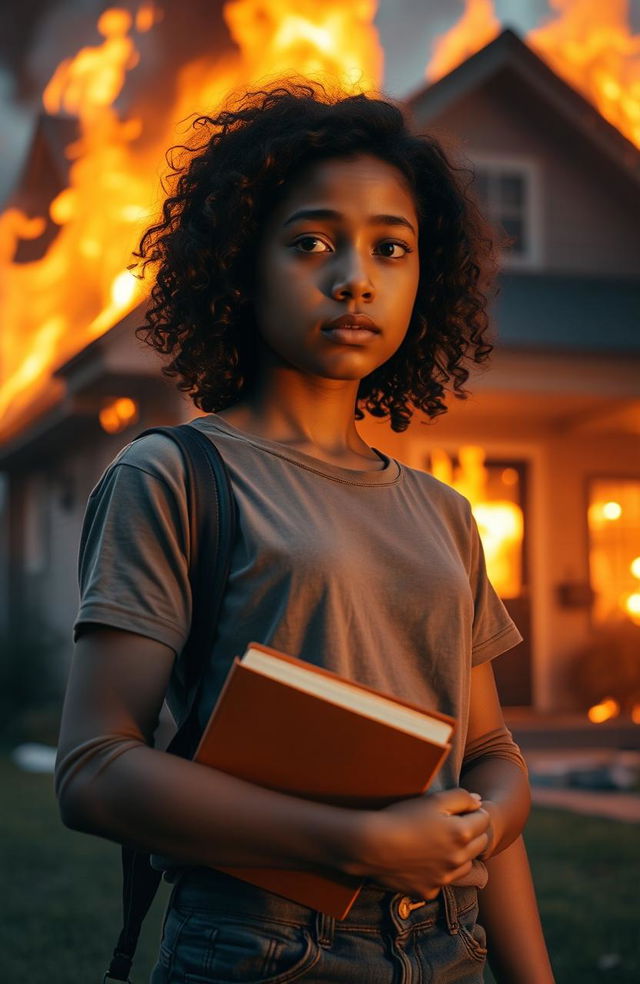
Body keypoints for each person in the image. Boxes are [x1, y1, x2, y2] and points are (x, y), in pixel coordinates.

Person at [55, 80, 555, 983]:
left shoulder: (445, 513)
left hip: (454, 944)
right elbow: (93, 769)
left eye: (390, 248)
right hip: (263, 945)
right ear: (241, 265)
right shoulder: (174, 475)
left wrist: (483, 823)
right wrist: (357, 843)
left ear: (423, 279)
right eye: (312, 242)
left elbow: (485, 753)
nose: (354, 276)